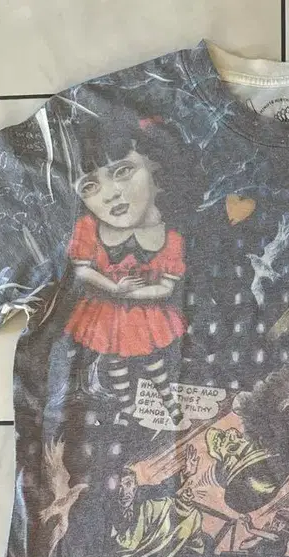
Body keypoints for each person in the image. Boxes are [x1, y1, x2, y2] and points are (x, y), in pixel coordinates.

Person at [64, 116, 187, 425]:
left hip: (143, 314)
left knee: (153, 360)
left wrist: (135, 293)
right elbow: (81, 270)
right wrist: (114, 288)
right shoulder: (87, 230)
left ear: (155, 167)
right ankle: (127, 408)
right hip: (106, 312)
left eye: (122, 172)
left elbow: (167, 288)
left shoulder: (172, 239)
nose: (110, 194)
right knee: (114, 359)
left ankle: (170, 405)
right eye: (90, 186)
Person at [113, 446, 210, 557]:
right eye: (118, 486)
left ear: (135, 485)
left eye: (128, 484)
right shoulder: (106, 506)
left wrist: (185, 473)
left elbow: (163, 488)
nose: (123, 492)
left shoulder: (142, 494)